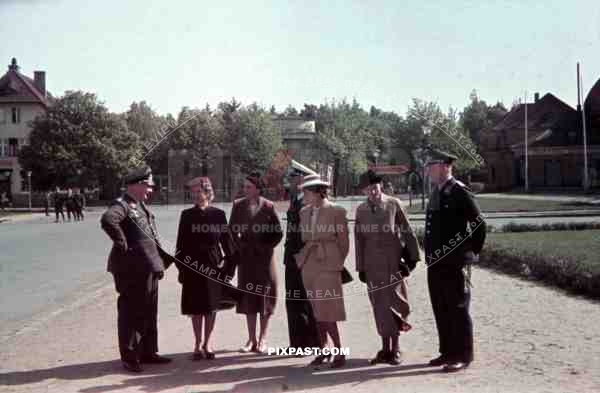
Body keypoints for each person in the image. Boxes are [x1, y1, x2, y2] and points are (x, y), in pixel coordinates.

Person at [100, 167, 175, 373]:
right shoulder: (122, 204)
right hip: (131, 269)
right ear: (135, 185)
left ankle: (148, 352)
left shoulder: (139, 205)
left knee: (149, 311)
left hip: (148, 266)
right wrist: (122, 243)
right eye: (147, 186)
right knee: (131, 313)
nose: (149, 191)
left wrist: (159, 261)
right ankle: (130, 356)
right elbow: (108, 220)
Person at [424, 149, 486, 373]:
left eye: (431, 165)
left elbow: (479, 224)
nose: (427, 170)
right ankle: (448, 351)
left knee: (458, 307)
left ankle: (463, 354)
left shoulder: (459, 191)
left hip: (455, 261)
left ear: (444, 166)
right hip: (436, 261)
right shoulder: (438, 191)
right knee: (441, 306)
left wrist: (469, 254)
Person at [355, 170, 420, 366]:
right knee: (379, 306)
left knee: (396, 304)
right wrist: (361, 268)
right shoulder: (361, 210)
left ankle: (396, 348)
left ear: (380, 186)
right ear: (364, 191)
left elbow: (407, 231)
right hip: (372, 265)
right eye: (368, 189)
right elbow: (359, 240)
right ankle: (385, 349)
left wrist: (412, 258)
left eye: (375, 188)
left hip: (393, 263)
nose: (372, 192)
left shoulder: (393, 204)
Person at [175, 176, 234, 360]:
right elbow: (180, 244)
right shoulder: (186, 215)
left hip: (212, 266)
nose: (193, 194)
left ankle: (208, 343)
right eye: (191, 192)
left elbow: (228, 243)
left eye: (197, 191)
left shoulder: (218, 214)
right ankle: (197, 343)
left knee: (211, 307)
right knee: (195, 307)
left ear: (207, 192)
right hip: (192, 266)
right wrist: (182, 269)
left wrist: (228, 267)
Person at [296, 174, 349, 369]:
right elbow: (304, 237)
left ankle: (339, 351)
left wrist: (335, 263)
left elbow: (344, 244)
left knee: (329, 311)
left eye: (307, 192)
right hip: (309, 264)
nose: (304, 196)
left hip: (327, 264)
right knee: (317, 311)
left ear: (318, 192)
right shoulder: (304, 212)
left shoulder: (336, 211)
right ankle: (323, 349)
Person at [228, 172, 283, 353]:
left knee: (265, 299)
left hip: (265, 261)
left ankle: (262, 339)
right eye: (244, 187)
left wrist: (266, 247)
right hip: (246, 261)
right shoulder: (238, 206)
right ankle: (251, 340)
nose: (245, 190)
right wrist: (240, 248)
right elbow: (231, 232)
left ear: (258, 189)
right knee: (248, 299)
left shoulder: (268, 206)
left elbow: (278, 233)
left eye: (249, 187)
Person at [283, 162, 320, 352]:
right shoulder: (294, 199)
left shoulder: (307, 202)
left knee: (306, 300)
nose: (289, 181)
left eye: (292, 177)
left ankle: (312, 342)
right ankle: (298, 343)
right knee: (294, 300)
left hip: (303, 258)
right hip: (291, 257)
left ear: (301, 179)